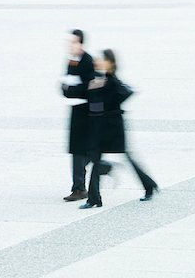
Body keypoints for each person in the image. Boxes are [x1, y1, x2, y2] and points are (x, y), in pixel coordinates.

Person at [79, 49, 158, 209]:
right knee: (96, 159)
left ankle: (149, 185)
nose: (99, 61)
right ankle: (94, 199)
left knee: (125, 157)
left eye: (102, 59)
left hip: (113, 128)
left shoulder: (112, 81)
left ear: (110, 63)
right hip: (103, 127)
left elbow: (124, 93)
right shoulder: (101, 80)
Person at [61, 29, 95, 201]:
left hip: (86, 112)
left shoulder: (88, 61)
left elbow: (89, 87)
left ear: (81, 43)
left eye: (73, 42)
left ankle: (80, 188)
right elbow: (65, 85)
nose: (70, 45)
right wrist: (68, 90)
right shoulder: (71, 61)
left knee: (79, 150)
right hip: (75, 110)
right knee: (77, 150)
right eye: (69, 42)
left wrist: (72, 90)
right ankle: (81, 185)